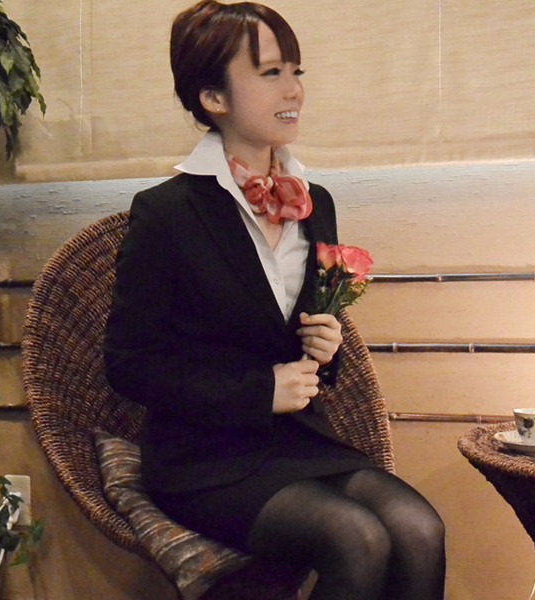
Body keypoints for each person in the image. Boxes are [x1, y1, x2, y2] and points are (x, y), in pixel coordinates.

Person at [104, 2, 446, 599]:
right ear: (214, 97)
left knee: (420, 529)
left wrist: (329, 347)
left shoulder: (316, 201)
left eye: (296, 71)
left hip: (298, 443)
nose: (293, 90)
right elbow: (130, 364)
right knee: (357, 539)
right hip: (202, 457)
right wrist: (259, 391)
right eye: (270, 73)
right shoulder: (166, 214)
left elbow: (303, 342)